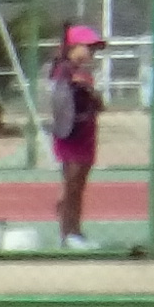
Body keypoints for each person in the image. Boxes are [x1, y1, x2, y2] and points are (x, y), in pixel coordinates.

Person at [45, 20, 104, 250]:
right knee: (71, 185)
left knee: (79, 186)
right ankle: (68, 232)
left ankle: (75, 231)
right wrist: (76, 86)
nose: (91, 53)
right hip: (71, 134)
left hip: (86, 133)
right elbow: (59, 100)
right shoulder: (62, 70)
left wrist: (92, 95)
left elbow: (96, 104)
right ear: (73, 46)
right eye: (88, 47)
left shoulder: (83, 73)